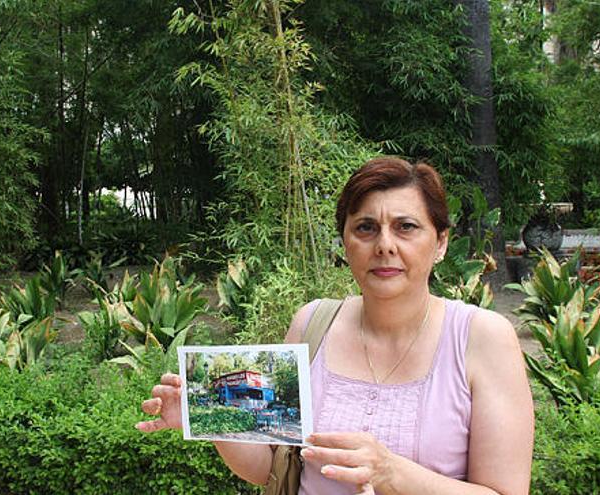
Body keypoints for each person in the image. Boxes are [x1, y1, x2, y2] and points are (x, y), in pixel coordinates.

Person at [136, 156, 534, 494]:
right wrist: (210, 414)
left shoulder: (483, 339)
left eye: (406, 227)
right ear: (345, 242)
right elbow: (272, 467)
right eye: (365, 228)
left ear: (441, 243)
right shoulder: (313, 323)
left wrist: (391, 472)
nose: (384, 245)